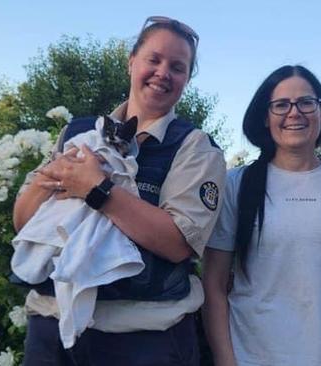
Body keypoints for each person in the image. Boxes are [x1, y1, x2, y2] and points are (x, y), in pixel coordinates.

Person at [12, 16, 226, 366]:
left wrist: (95, 188)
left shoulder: (195, 147)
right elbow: (25, 222)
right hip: (51, 330)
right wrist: (46, 179)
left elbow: (178, 243)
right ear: (132, 62)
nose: (163, 73)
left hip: (144, 340)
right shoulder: (78, 133)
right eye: (153, 60)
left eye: (177, 67)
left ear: (186, 79)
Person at [202, 65, 321, 366]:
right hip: (250, 356)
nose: (294, 112)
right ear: (265, 116)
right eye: (281, 105)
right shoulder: (236, 184)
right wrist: (225, 359)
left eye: (306, 102)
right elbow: (213, 284)